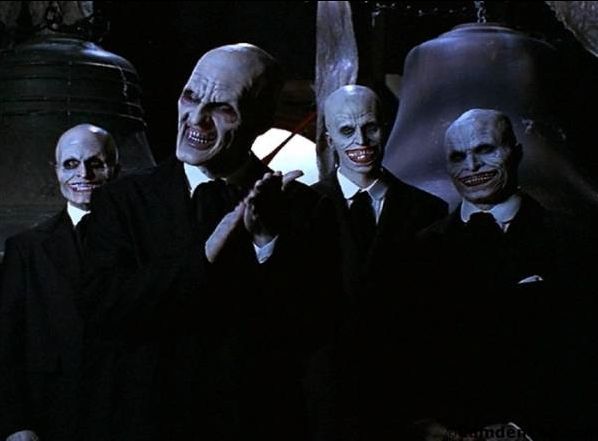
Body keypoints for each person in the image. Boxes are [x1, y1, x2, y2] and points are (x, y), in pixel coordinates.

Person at [80, 43, 339, 441]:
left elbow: (312, 333)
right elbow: (104, 308)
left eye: (222, 108)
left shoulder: (305, 208)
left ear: (261, 120)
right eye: (190, 96)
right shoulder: (122, 201)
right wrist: (208, 252)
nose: (196, 118)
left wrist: (267, 242)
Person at [412, 108, 598, 440]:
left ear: (516, 152)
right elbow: (408, 349)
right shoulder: (421, 249)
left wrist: (524, 429)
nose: (471, 166)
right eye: (457, 156)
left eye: (484, 149)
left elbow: (584, 352)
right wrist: (427, 424)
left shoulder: (573, 239)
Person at [311, 85, 447, 440]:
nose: (361, 140)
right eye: (347, 130)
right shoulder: (300, 207)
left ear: (385, 127)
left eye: (370, 127)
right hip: (325, 404)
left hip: (404, 402)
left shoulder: (428, 210)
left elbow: (436, 316)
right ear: (329, 139)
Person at [0, 124, 120, 441]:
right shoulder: (25, 249)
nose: (84, 174)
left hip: (129, 415)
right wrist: (16, 423)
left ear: (116, 169)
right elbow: (7, 343)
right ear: (56, 171)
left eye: (96, 163)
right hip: (52, 418)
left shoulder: (145, 242)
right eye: (71, 164)